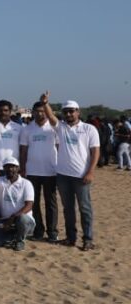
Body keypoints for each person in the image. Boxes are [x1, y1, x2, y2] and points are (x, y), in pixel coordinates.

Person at [41, 93, 100, 251]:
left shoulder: (89, 129)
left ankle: (87, 239)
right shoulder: (61, 127)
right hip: (63, 176)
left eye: (71, 111)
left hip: (81, 176)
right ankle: (71, 238)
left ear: (78, 112)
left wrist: (91, 172)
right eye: (66, 111)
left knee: (85, 208)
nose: (68, 114)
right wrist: (45, 103)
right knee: (68, 209)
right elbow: (50, 116)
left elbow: (95, 152)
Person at [19, 101, 59, 242]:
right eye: (37, 111)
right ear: (33, 112)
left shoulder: (54, 128)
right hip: (32, 171)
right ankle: (38, 231)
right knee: (33, 203)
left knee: (51, 203)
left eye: (43, 111)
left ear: (48, 112)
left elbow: (60, 148)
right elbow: (23, 151)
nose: (40, 113)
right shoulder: (27, 129)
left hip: (51, 171)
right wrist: (23, 168)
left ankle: (52, 232)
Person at [0, 157, 36, 251]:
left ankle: (20, 241)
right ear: (4, 169)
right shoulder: (0, 181)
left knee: (22, 218)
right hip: (4, 221)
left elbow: (29, 206)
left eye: (13, 167)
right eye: (7, 167)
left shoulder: (26, 183)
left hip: (23, 221)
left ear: (18, 168)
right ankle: (12, 237)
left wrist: (13, 218)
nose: (10, 169)